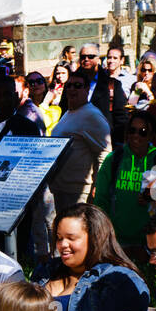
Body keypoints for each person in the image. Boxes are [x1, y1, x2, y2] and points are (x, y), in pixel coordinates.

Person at [36, 205, 149, 311]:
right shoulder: (47, 271)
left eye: (71, 238)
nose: (62, 245)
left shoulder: (117, 280)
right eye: (59, 237)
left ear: (95, 238)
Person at [94, 108, 156, 249]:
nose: (136, 136)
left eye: (143, 132)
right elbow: (101, 199)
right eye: (132, 130)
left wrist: (154, 197)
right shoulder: (114, 158)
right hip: (116, 240)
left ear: (151, 135)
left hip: (148, 243)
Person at [49, 70, 112, 208]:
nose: (72, 89)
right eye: (69, 85)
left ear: (86, 89)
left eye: (77, 85)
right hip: (60, 189)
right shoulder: (69, 112)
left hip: (79, 192)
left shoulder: (93, 115)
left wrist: (98, 186)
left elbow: (104, 154)